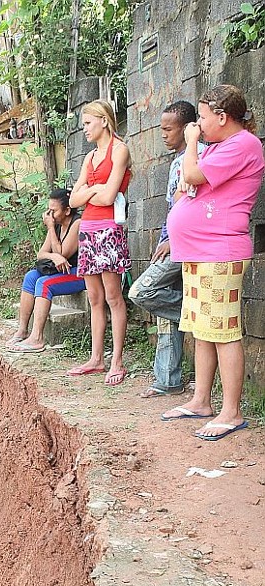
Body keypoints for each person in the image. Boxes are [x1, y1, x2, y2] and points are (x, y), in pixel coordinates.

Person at [163, 84, 264, 440]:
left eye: (202, 118)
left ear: (222, 117)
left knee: (223, 332)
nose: (198, 125)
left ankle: (231, 411)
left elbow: (190, 176)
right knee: (203, 329)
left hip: (219, 252)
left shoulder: (243, 145)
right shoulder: (221, 146)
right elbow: (185, 187)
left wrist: (191, 145)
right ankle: (201, 401)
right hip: (200, 251)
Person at [128, 100, 198, 398]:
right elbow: (173, 207)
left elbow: (192, 204)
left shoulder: (196, 157)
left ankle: (197, 316)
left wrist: (172, 240)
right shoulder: (176, 160)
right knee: (165, 314)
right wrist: (164, 238)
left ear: (186, 128)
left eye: (168, 129)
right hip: (171, 240)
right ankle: (168, 379)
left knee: (141, 291)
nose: (163, 134)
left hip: (186, 243)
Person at [69, 100, 132, 386]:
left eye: (87, 123)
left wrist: (89, 191)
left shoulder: (119, 150)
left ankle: (117, 360)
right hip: (89, 229)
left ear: (104, 121)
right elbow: (72, 200)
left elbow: (109, 199)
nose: (84, 129)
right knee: (94, 297)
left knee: (113, 296)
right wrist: (96, 188)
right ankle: (96, 358)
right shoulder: (90, 157)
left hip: (108, 229)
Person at [7, 188, 84, 353]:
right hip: (62, 271)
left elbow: (63, 253)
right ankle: (22, 330)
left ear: (67, 210)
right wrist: (55, 257)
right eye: (48, 210)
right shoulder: (56, 225)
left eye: (54, 211)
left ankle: (37, 338)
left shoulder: (76, 223)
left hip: (80, 273)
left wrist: (51, 231)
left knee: (44, 283)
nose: (49, 214)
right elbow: (41, 254)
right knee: (30, 277)